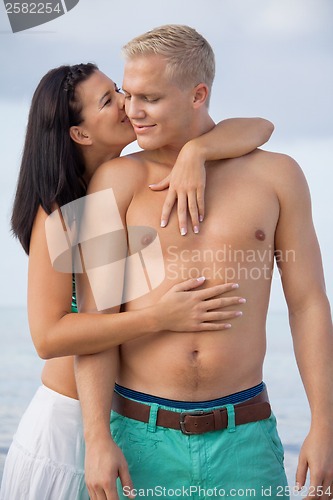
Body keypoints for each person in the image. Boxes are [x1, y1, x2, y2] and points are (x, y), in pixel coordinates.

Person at [75, 25, 333, 500]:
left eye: (149, 98)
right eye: (128, 96)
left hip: (245, 436)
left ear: (198, 94)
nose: (133, 111)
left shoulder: (278, 175)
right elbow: (96, 318)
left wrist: (325, 422)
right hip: (139, 436)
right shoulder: (115, 181)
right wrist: (96, 437)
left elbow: (309, 303)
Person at [0, 61, 273, 500]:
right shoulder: (62, 209)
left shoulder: (125, 185)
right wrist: (159, 318)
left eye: (120, 90)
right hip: (69, 430)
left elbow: (260, 126)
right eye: (110, 100)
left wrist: (195, 153)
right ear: (80, 134)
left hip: (124, 426)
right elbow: (50, 337)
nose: (129, 104)